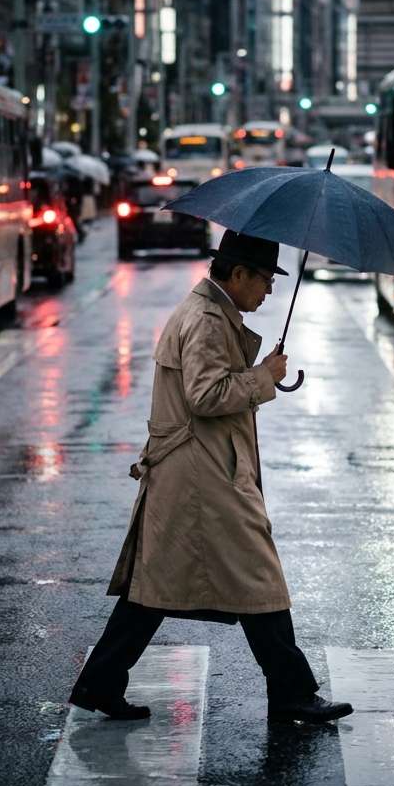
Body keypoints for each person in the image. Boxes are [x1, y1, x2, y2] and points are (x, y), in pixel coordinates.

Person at [69, 230, 353, 724]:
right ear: (238, 274)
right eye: (264, 280)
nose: (268, 291)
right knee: (259, 577)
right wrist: (263, 375)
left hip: (196, 470)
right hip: (205, 476)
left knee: (153, 589)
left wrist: (259, 371)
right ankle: (292, 692)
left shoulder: (214, 313)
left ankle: (100, 682)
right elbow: (206, 395)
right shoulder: (206, 319)